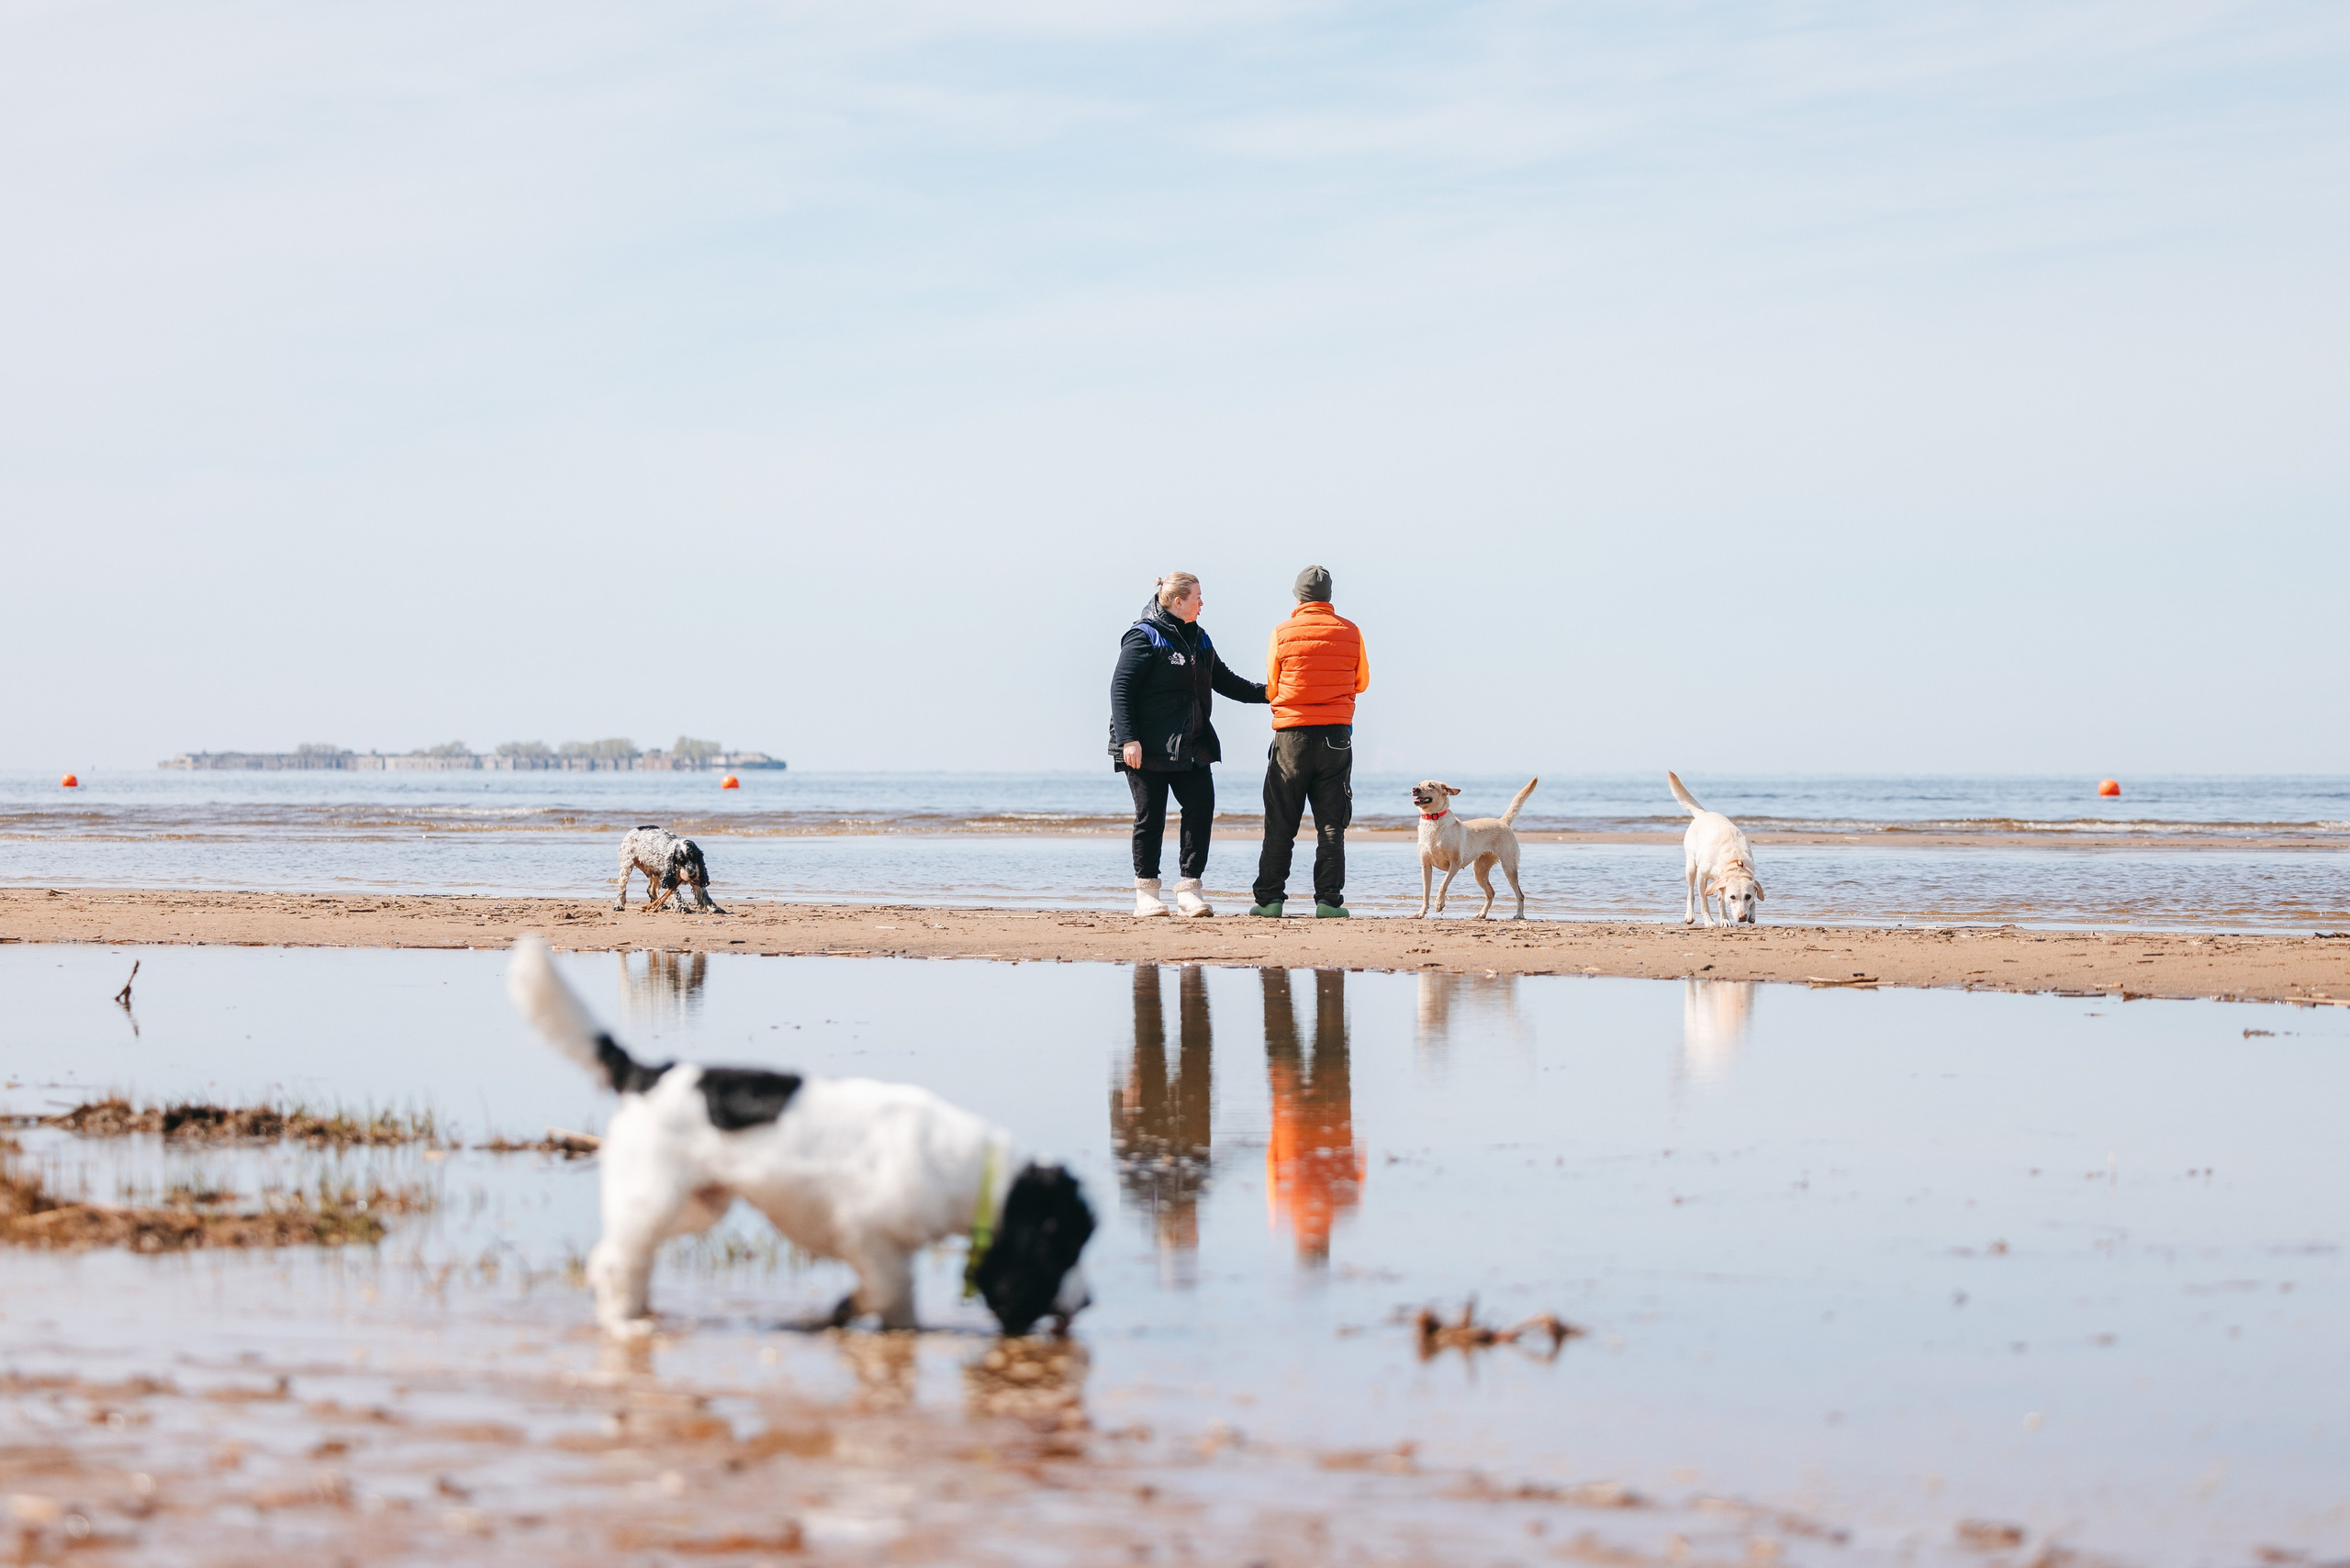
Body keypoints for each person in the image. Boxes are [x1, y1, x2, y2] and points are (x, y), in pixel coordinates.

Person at [1109, 573, 1269, 917]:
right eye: (1197, 596)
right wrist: (1128, 740)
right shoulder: (1144, 636)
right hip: (1146, 745)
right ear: (1177, 601)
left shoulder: (1200, 638)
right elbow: (1120, 689)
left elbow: (1226, 681)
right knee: (1150, 817)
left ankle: (1189, 890)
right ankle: (1146, 894)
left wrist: (1273, 693)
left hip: (1192, 745)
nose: (1202, 603)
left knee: (1200, 811)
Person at [1252, 565, 1368, 918]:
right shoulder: (1351, 632)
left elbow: (1272, 685)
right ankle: (1329, 902)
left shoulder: (1282, 632)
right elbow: (1361, 682)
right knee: (1331, 824)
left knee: (1281, 822)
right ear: (1329, 596)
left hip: (1291, 736)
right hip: (1336, 736)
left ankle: (1270, 900)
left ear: (1298, 596)